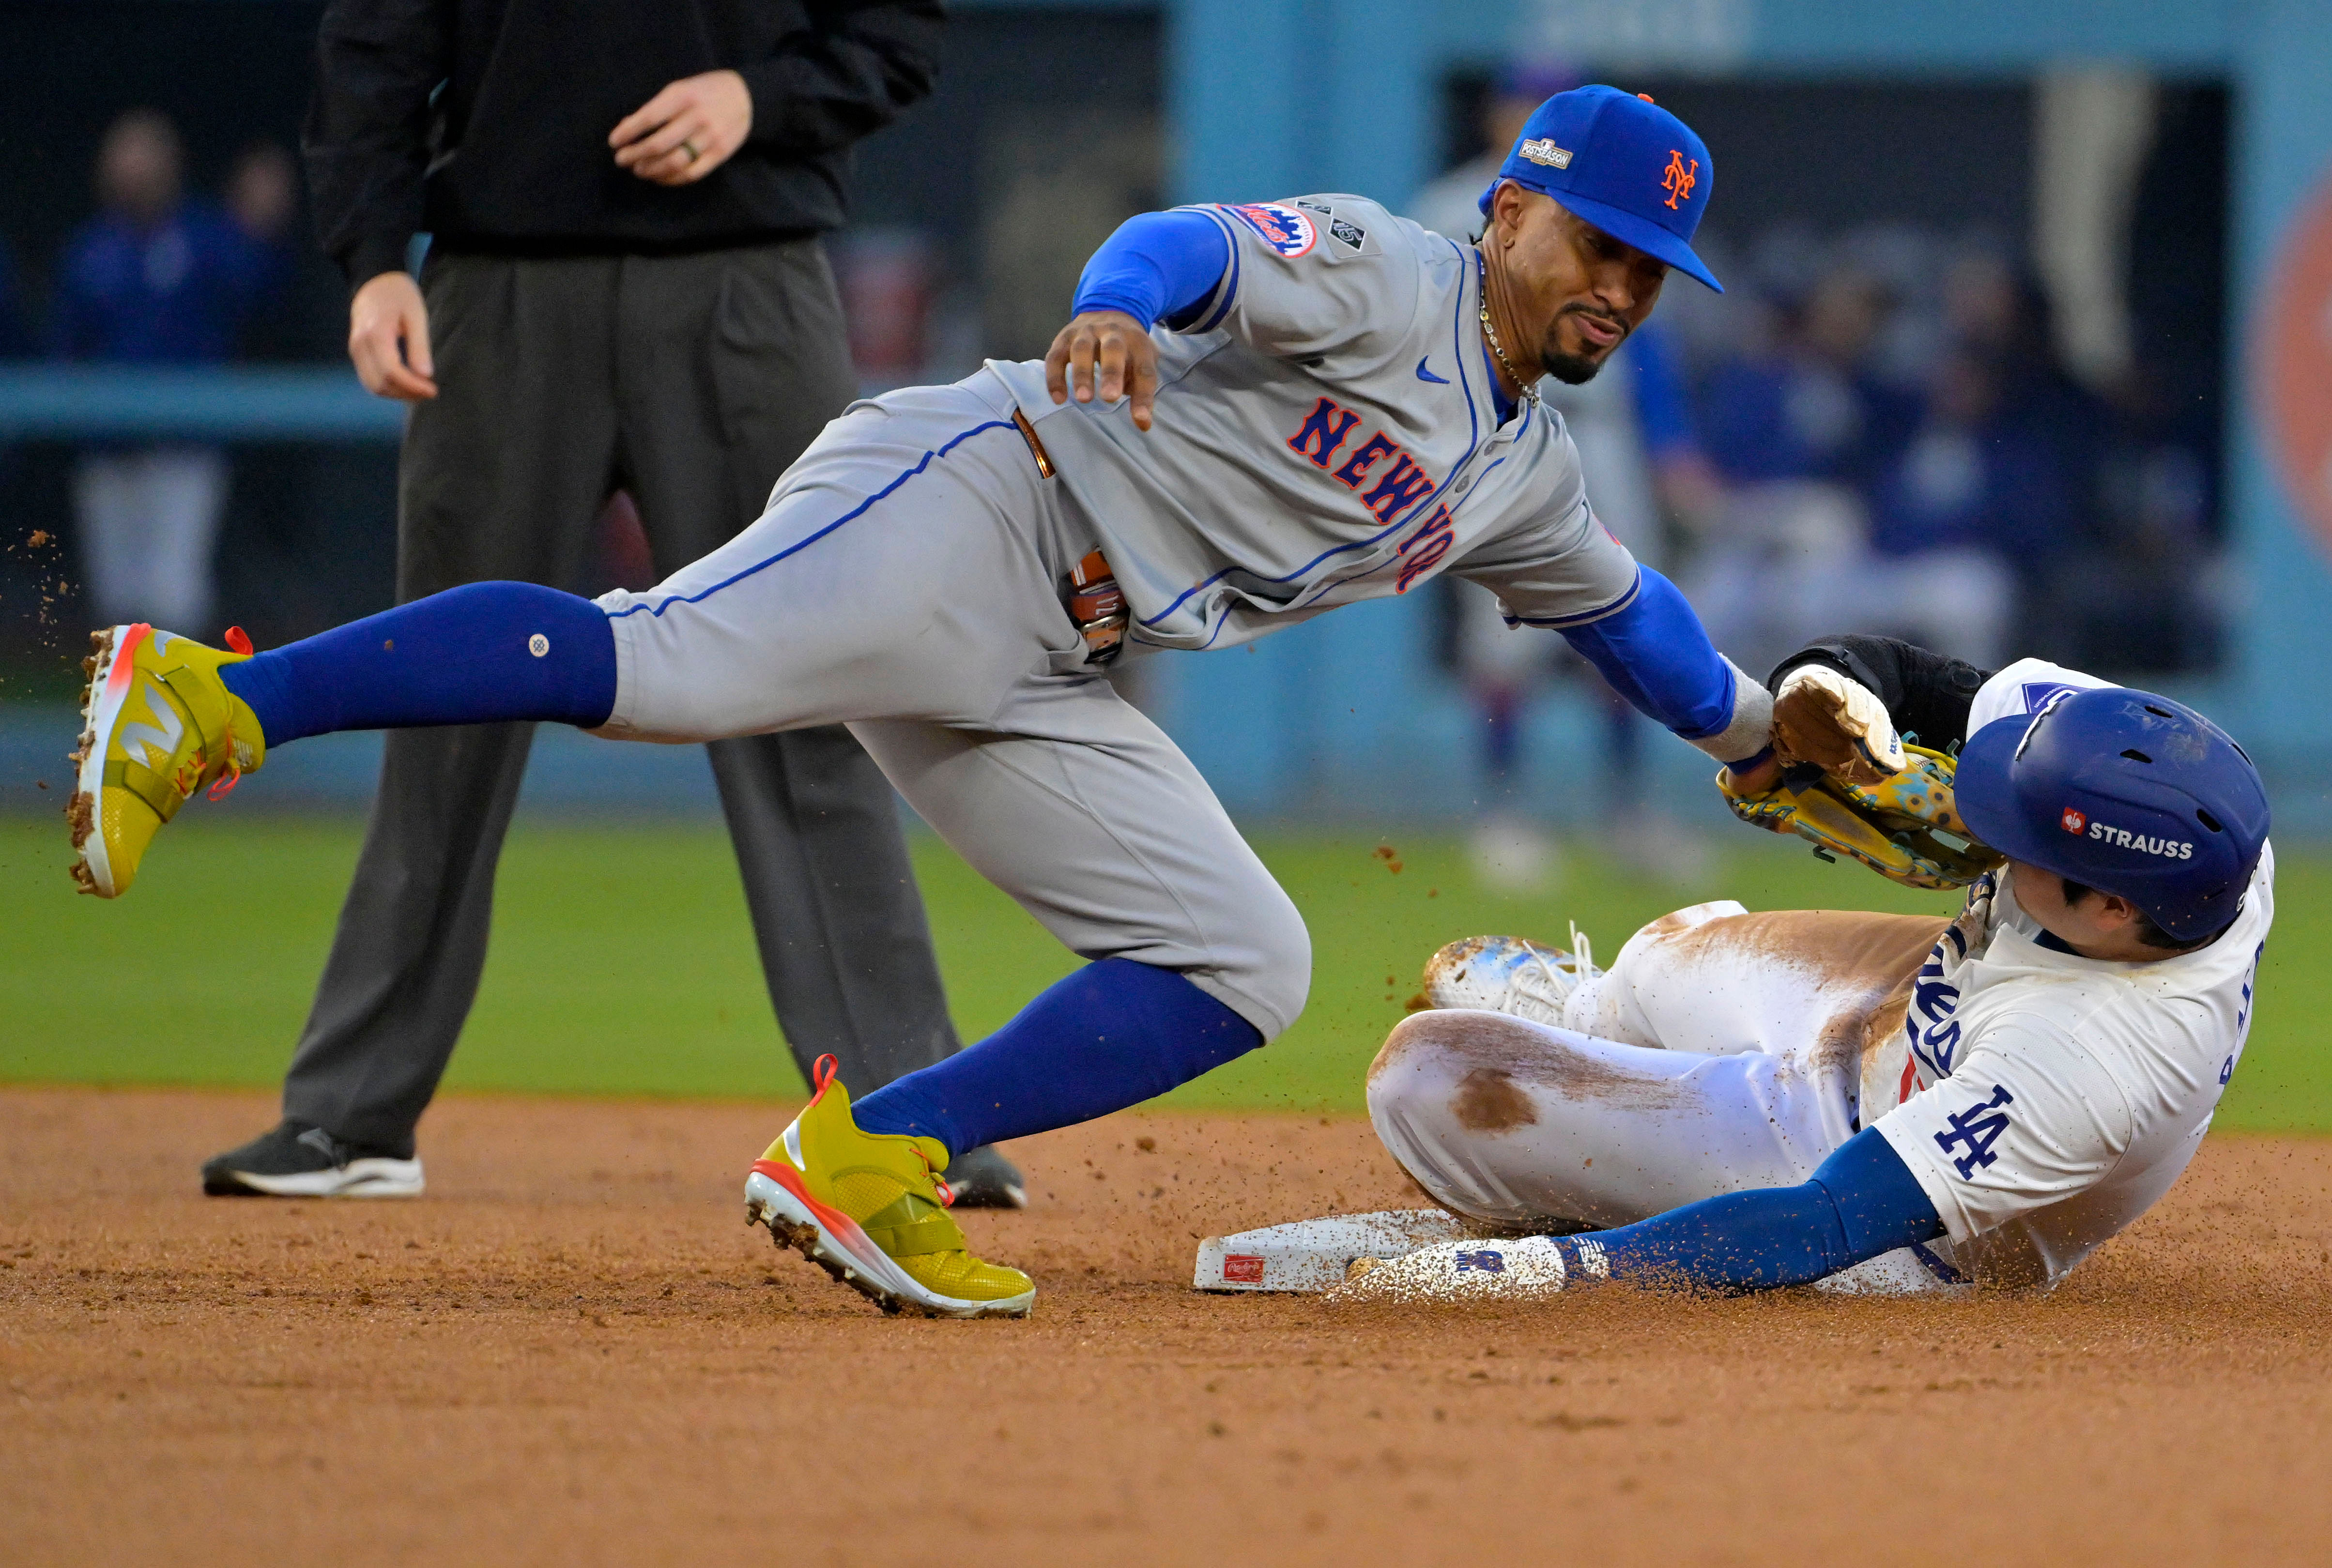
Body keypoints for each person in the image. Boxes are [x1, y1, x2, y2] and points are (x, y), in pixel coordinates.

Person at [72, 87, 1778, 1317]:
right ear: (1508, 209)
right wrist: (1110, 307)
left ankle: (870, 1148)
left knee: (1244, 959)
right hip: (983, 496)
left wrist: (1764, 744)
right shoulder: (1392, 271)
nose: (1617, 290)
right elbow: (1179, 244)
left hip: (1054, 663)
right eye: (1598, 242)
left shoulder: (1523, 474)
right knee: (653, 661)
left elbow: (1638, 630)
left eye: (1649, 271)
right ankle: (210, 699)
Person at [196, 0, 1029, 1209]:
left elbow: (894, 35)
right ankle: (349, 1115)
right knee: (441, 703)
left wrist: (760, 99)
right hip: (502, 289)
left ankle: (909, 1116)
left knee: (814, 697)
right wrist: (375, 256)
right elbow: (373, 48)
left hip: (750, 280)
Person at [1343, 635, 2270, 1300]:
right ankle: (1598, 1015)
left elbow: (1820, 1220)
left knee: (1427, 1073)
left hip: (1887, 1200)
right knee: (1661, 956)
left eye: (2021, 835)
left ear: (2112, 906)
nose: (1990, 827)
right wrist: (1826, 683)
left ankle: (1602, 1143)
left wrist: (1562, 1272)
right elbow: (1909, 677)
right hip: (1912, 1002)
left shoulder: (2086, 1066)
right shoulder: (2180, 814)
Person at [1414, 66, 1720, 887]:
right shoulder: (1452, 205)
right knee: (1499, 643)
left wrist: (1671, 447)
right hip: (1492, 425)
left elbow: (1641, 346)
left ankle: (1627, 811)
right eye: (1516, 99)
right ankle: (1503, 815)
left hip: (1600, 431)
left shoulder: (1611, 206)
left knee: (1619, 615)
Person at [53, 111, 292, 632]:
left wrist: (261, 229)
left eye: (146, 155)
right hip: (108, 449)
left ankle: (171, 712)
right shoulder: (92, 249)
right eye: (124, 156)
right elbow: (64, 353)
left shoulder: (204, 237)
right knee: (115, 599)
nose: (134, 169)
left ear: (172, 165)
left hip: (184, 449)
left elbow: (258, 293)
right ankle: (119, 714)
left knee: (173, 595)